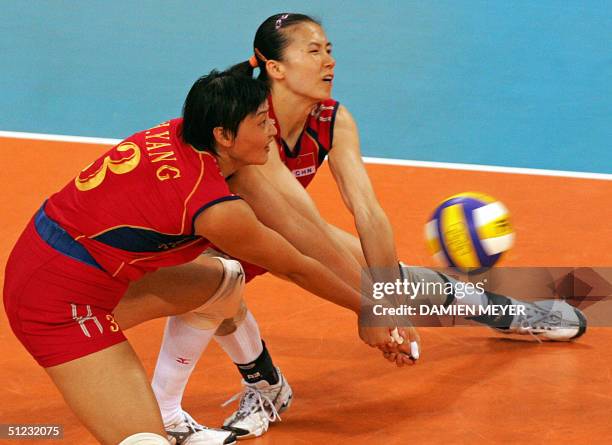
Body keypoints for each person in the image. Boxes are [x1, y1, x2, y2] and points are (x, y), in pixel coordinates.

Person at [148, 13, 587, 441]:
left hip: (282, 232)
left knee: (399, 279)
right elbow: (300, 232)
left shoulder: (331, 119)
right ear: (275, 68)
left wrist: (389, 300)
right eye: (313, 51)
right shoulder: (253, 125)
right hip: (204, 236)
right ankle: (256, 389)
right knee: (217, 283)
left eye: (330, 50)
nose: (329, 61)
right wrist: (375, 308)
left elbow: (368, 213)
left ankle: (513, 313)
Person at [3, 69, 394, 445]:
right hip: (57, 303)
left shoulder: (193, 138)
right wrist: (368, 310)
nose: (272, 130)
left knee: (222, 281)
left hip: (69, 261)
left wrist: (379, 304)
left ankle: (174, 413)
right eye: (261, 123)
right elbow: (295, 265)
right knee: (142, 441)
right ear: (224, 135)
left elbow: (302, 233)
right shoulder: (214, 208)